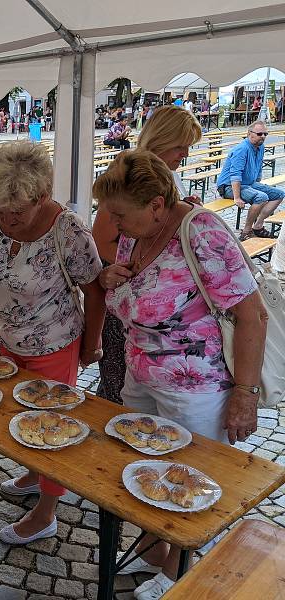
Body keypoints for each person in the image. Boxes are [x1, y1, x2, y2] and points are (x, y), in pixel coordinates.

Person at [94, 150, 266, 599]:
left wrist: (245, 394)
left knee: (190, 477)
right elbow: (139, 283)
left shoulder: (202, 232)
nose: (114, 224)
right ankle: (153, 546)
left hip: (197, 386)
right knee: (143, 463)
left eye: (120, 215)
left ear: (156, 204)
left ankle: (177, 575)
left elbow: (252, 316)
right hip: (142, 374)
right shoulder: (139, 231)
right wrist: (112, 276)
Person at [0, 141, 104, 545]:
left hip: (54, 342)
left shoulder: (69, 229)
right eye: (0, 211)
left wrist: (91, 346)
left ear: (42, 195)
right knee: (15, 414)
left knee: (54, 426)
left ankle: (46, 514)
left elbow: (96, 291)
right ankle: (33, 474)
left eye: (17, 212)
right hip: (8, 341)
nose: (7, 220)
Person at [91, 104, 204, 404]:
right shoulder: (129, 177)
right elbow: (101, 241)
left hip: (163, 322)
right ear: (162, 140)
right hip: (130, 301)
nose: (185, 155)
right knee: (118, 386)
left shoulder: (166, 176)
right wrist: (145, 268)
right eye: (181, 147)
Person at [216, 120, 285, 241]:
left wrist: (257, 183)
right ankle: (246, 232)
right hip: (228, 186)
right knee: (261, 197)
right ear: (249, 133)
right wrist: (237, 198)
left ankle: (258, 226)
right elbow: (235, 175)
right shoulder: (241, 149)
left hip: (248, 183)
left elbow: (258, 167)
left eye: (265, 134)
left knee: (279, 194)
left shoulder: (260, 147)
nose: (263, 136)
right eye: (259, 134)